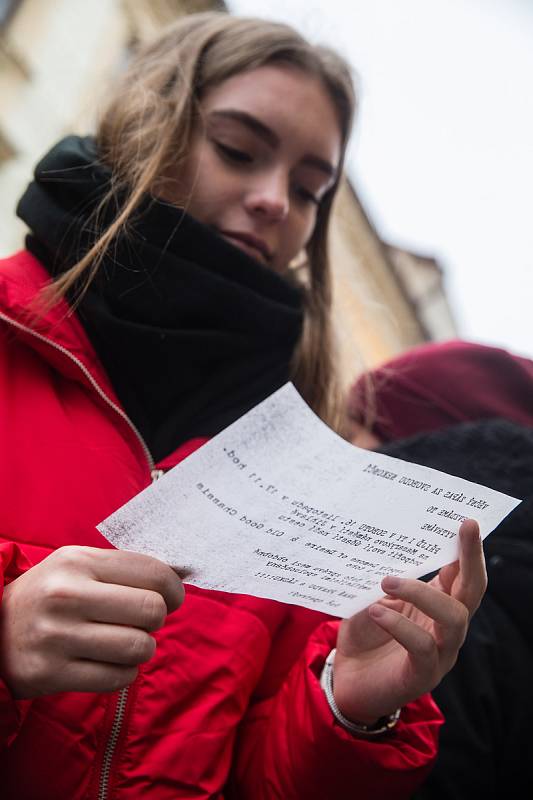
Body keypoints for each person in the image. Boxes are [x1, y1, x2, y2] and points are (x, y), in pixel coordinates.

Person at [0, 15, 486, 799]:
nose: (273, 202)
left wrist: (344, 707)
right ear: (143, 125)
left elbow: (253, 775)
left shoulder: (295, 460)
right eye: (237, 149)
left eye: (308, 189)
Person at [346, 339, 533, 798]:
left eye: (357, 432)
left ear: (424, 440)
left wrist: (355, 717)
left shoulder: (435, 615)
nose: (345, 454)